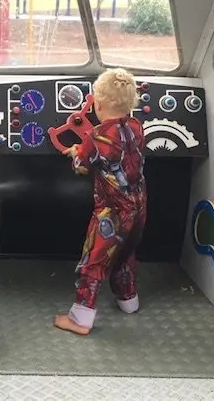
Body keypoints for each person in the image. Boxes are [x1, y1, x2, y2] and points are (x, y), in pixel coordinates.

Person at [54, 68, 147, 335]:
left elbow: (81, 164)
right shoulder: (137, 127)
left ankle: (80, 319)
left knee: (93, 262)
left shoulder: (96, 137)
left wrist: (75, 151)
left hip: (112, 212)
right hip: (139, 208)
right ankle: (128, 301)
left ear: (97, 103)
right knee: (125, 254)